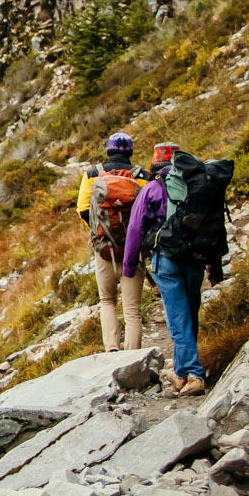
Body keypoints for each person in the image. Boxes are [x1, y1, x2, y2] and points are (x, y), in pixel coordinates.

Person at [129, 142, 208, 396]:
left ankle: (194, 375)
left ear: (155, 163)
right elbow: (213, 226)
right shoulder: (196, 187)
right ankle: (182, 372)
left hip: (166, 261)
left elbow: (135, 229)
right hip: (196, 259)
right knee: (190, 315)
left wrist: (130, 266)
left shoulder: (151, 188)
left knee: (178, 319)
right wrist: (214, 267)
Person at [74, 132, 144, 352]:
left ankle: (112, 348)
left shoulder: (93, 174)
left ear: (108, 150)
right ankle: (133, 355)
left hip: (104, 248)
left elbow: (83, 210)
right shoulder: (141, 176)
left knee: (107, 301)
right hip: (134, 252)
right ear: (130, 151)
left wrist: (99, 233)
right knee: (132, 309)